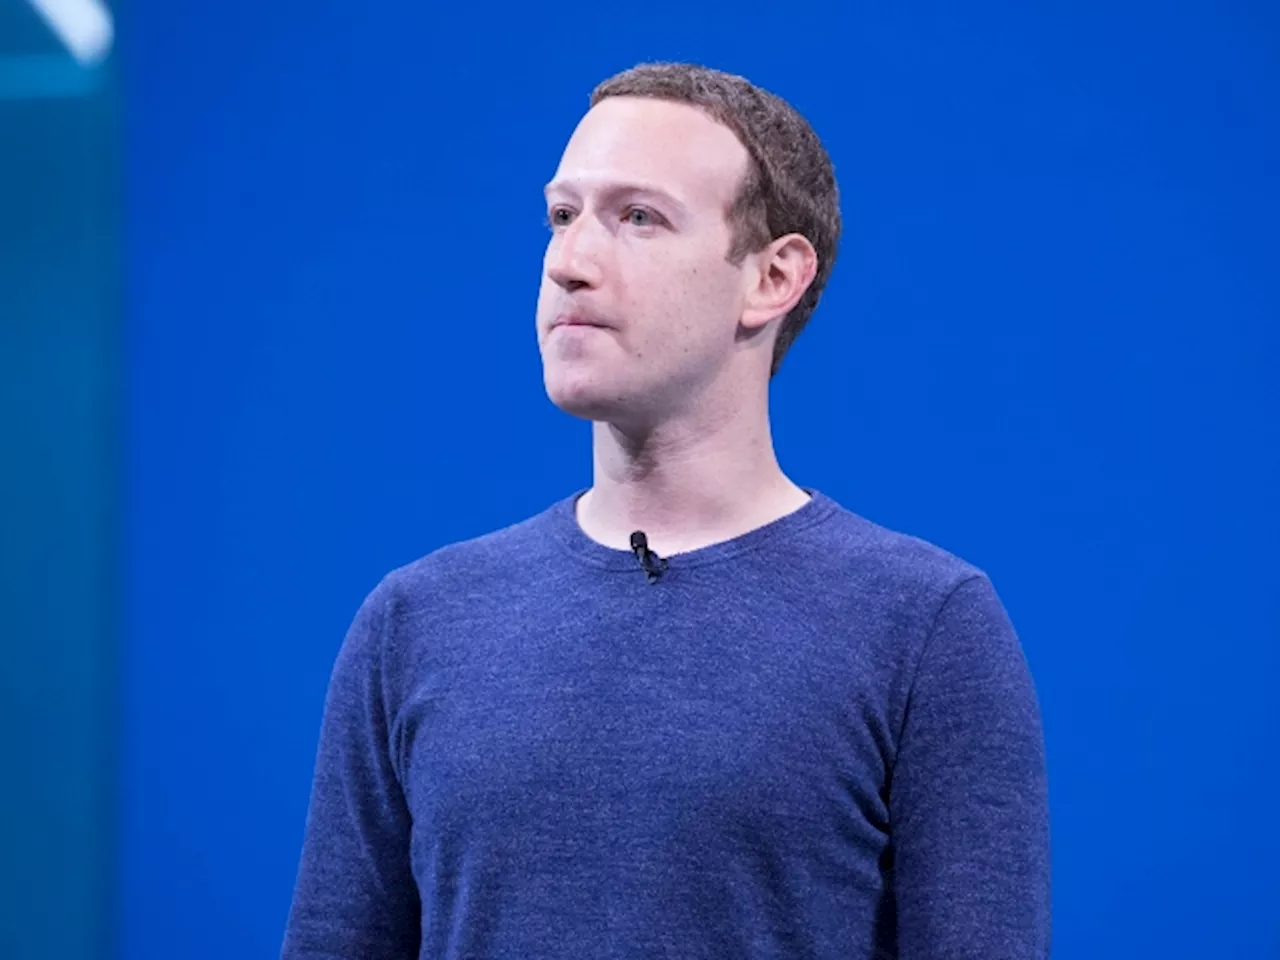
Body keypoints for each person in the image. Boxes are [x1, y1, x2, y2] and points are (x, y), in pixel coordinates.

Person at [281, 61, 1050, 960]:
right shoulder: (413, 623)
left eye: (637, 218)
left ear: (772, 278)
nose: (568, 262)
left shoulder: (924, 627)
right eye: (561, 217)